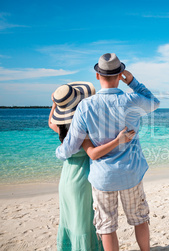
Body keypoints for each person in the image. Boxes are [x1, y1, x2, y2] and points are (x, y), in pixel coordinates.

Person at [55, 53, 160, 251]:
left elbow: (71, 145)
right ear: (120, 74)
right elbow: (154, 102)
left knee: (107, 226)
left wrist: (59, 153)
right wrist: (133, 82)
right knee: (139, 219)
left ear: (97, 76)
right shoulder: (132, 100)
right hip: (131, 172)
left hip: (103, 176)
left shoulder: (85, 106)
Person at [49, 81, 136, 251]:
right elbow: (94, 154)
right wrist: (118, 141)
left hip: (66, 179)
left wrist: (54, 105)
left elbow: (50, 122)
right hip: (82, 180)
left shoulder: (62, 130)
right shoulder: (83, 134)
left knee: (70, 219)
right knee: (84, 221)